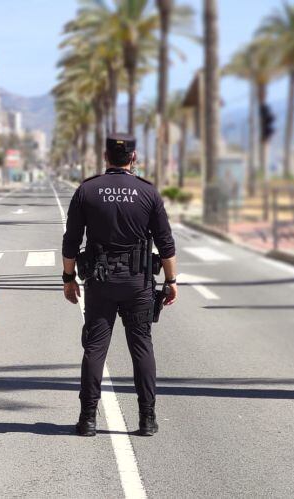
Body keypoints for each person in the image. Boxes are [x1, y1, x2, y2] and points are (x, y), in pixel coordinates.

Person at [60, 133, 178, 437]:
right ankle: (147, 419)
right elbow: (166, 243)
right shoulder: (147, 193)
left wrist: (69, 278)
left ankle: (87, 420)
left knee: (95, 347)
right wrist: (172, 280)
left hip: (100, 281)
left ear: (105, 156)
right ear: (134, 157)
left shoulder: (88, 190)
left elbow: (71, 240)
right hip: (138, 283)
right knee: (141, 346)